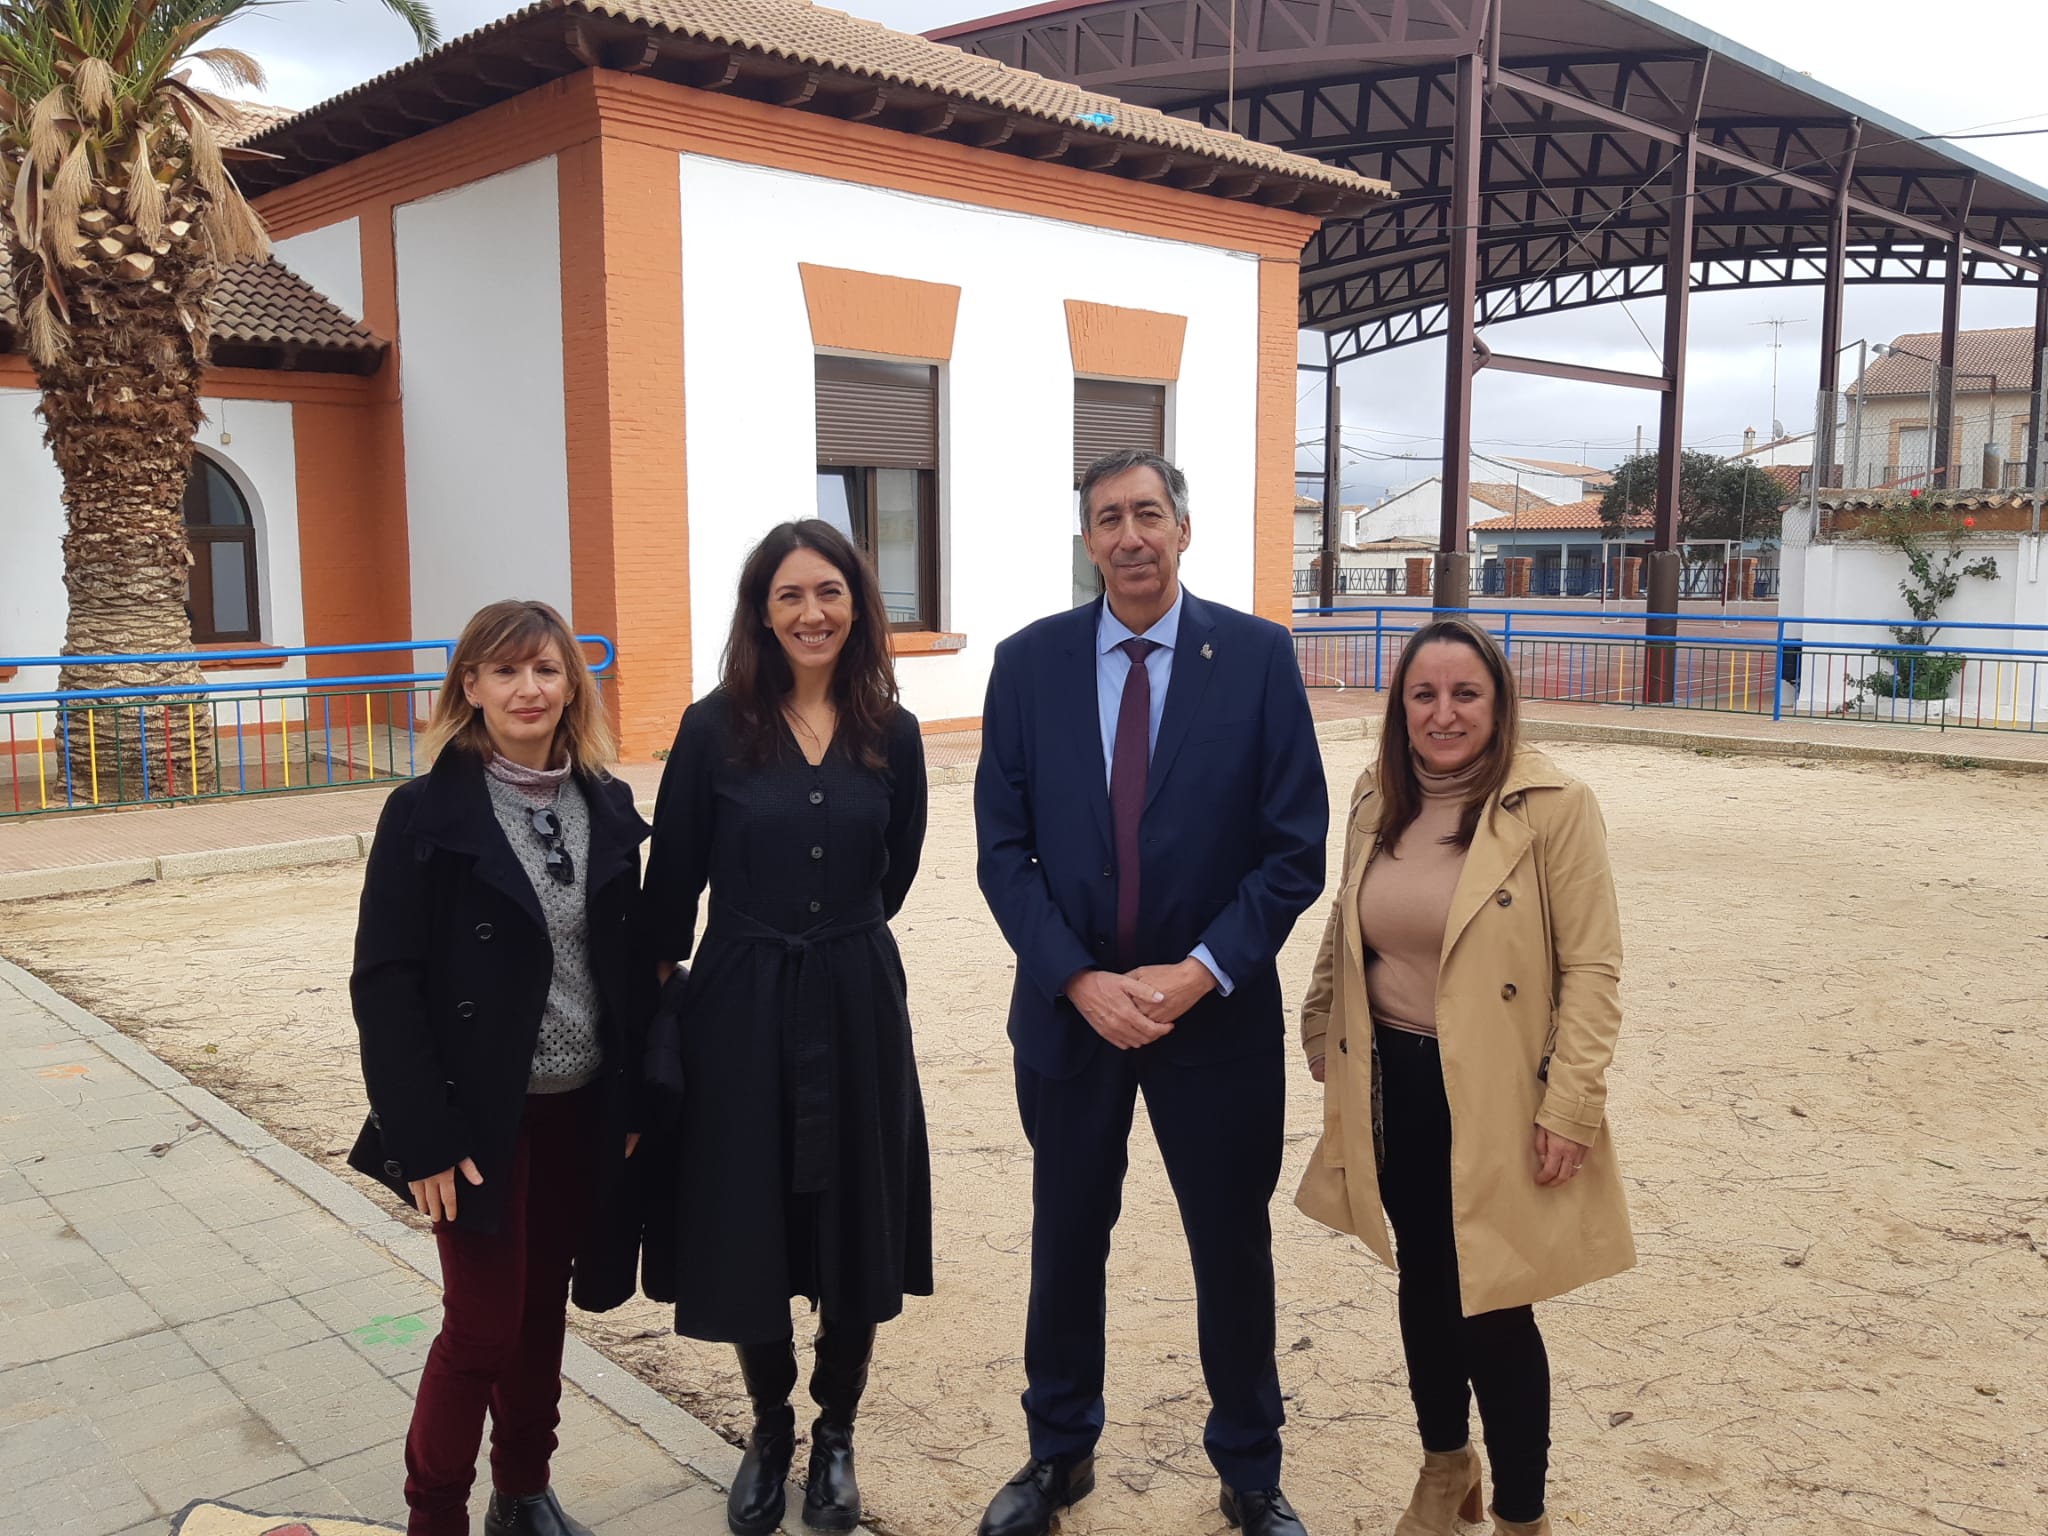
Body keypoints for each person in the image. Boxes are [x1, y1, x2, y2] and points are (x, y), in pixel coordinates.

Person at [972, 450, 1329, 1536]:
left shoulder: (1257, 658)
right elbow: (1003, 851)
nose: (1129, 535)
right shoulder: (1027, 664)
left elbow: (1293, 849)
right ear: (1086, 540)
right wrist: (1077, 979)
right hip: (1071, 1018)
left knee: (1230, 1245)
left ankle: (1249, 1469)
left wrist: (1199, 972)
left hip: (1211, 1019)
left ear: (1183, 528)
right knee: (1065, 1239)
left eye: (1147, 514)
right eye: (1107, 519)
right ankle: (1058, 1454)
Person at [1295, 617, 1636, 1536]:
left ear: (1498, 702)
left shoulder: (1553, 805)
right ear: (1401, 707)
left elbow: (1593, 966)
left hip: (1495, 1091)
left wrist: (1572, 1103)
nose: (1443, 714)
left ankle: (1523, 1515)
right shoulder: (1378, 795)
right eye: (1424, 694)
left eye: (1464, 694)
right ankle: (1445, 1467)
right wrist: (1322, 1017)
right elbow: (1348, 918)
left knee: (1494, 1299)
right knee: (1423, 1281)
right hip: (1392, 1081)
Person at [641, 519, 930, 1536]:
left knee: (855, 1211)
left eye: (829, 592)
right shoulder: (711, 729)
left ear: (857, 606)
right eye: (790, 596)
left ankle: (836, 1431)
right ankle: (770, 1428)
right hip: (738, 1004)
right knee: (747, 1212)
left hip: (855, 999)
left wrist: (836, 944)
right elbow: (669, 890)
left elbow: (892, 873)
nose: (812, 613)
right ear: (761, 614)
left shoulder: (892, 732)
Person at [349, 599, 654, 1536]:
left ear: (572, 687)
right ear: (471, 687)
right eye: (507, 670)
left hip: (581, 1108)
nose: (529, 688)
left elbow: (629, 971)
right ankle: (435, 1514)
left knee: (540, 1312)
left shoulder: (606, 804)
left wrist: (635, 1101)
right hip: (476, 1119)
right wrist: (423, 1137)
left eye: (547, 669)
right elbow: (386, 984)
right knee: (481, 1325)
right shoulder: (424, 814)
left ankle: (522, 1491)